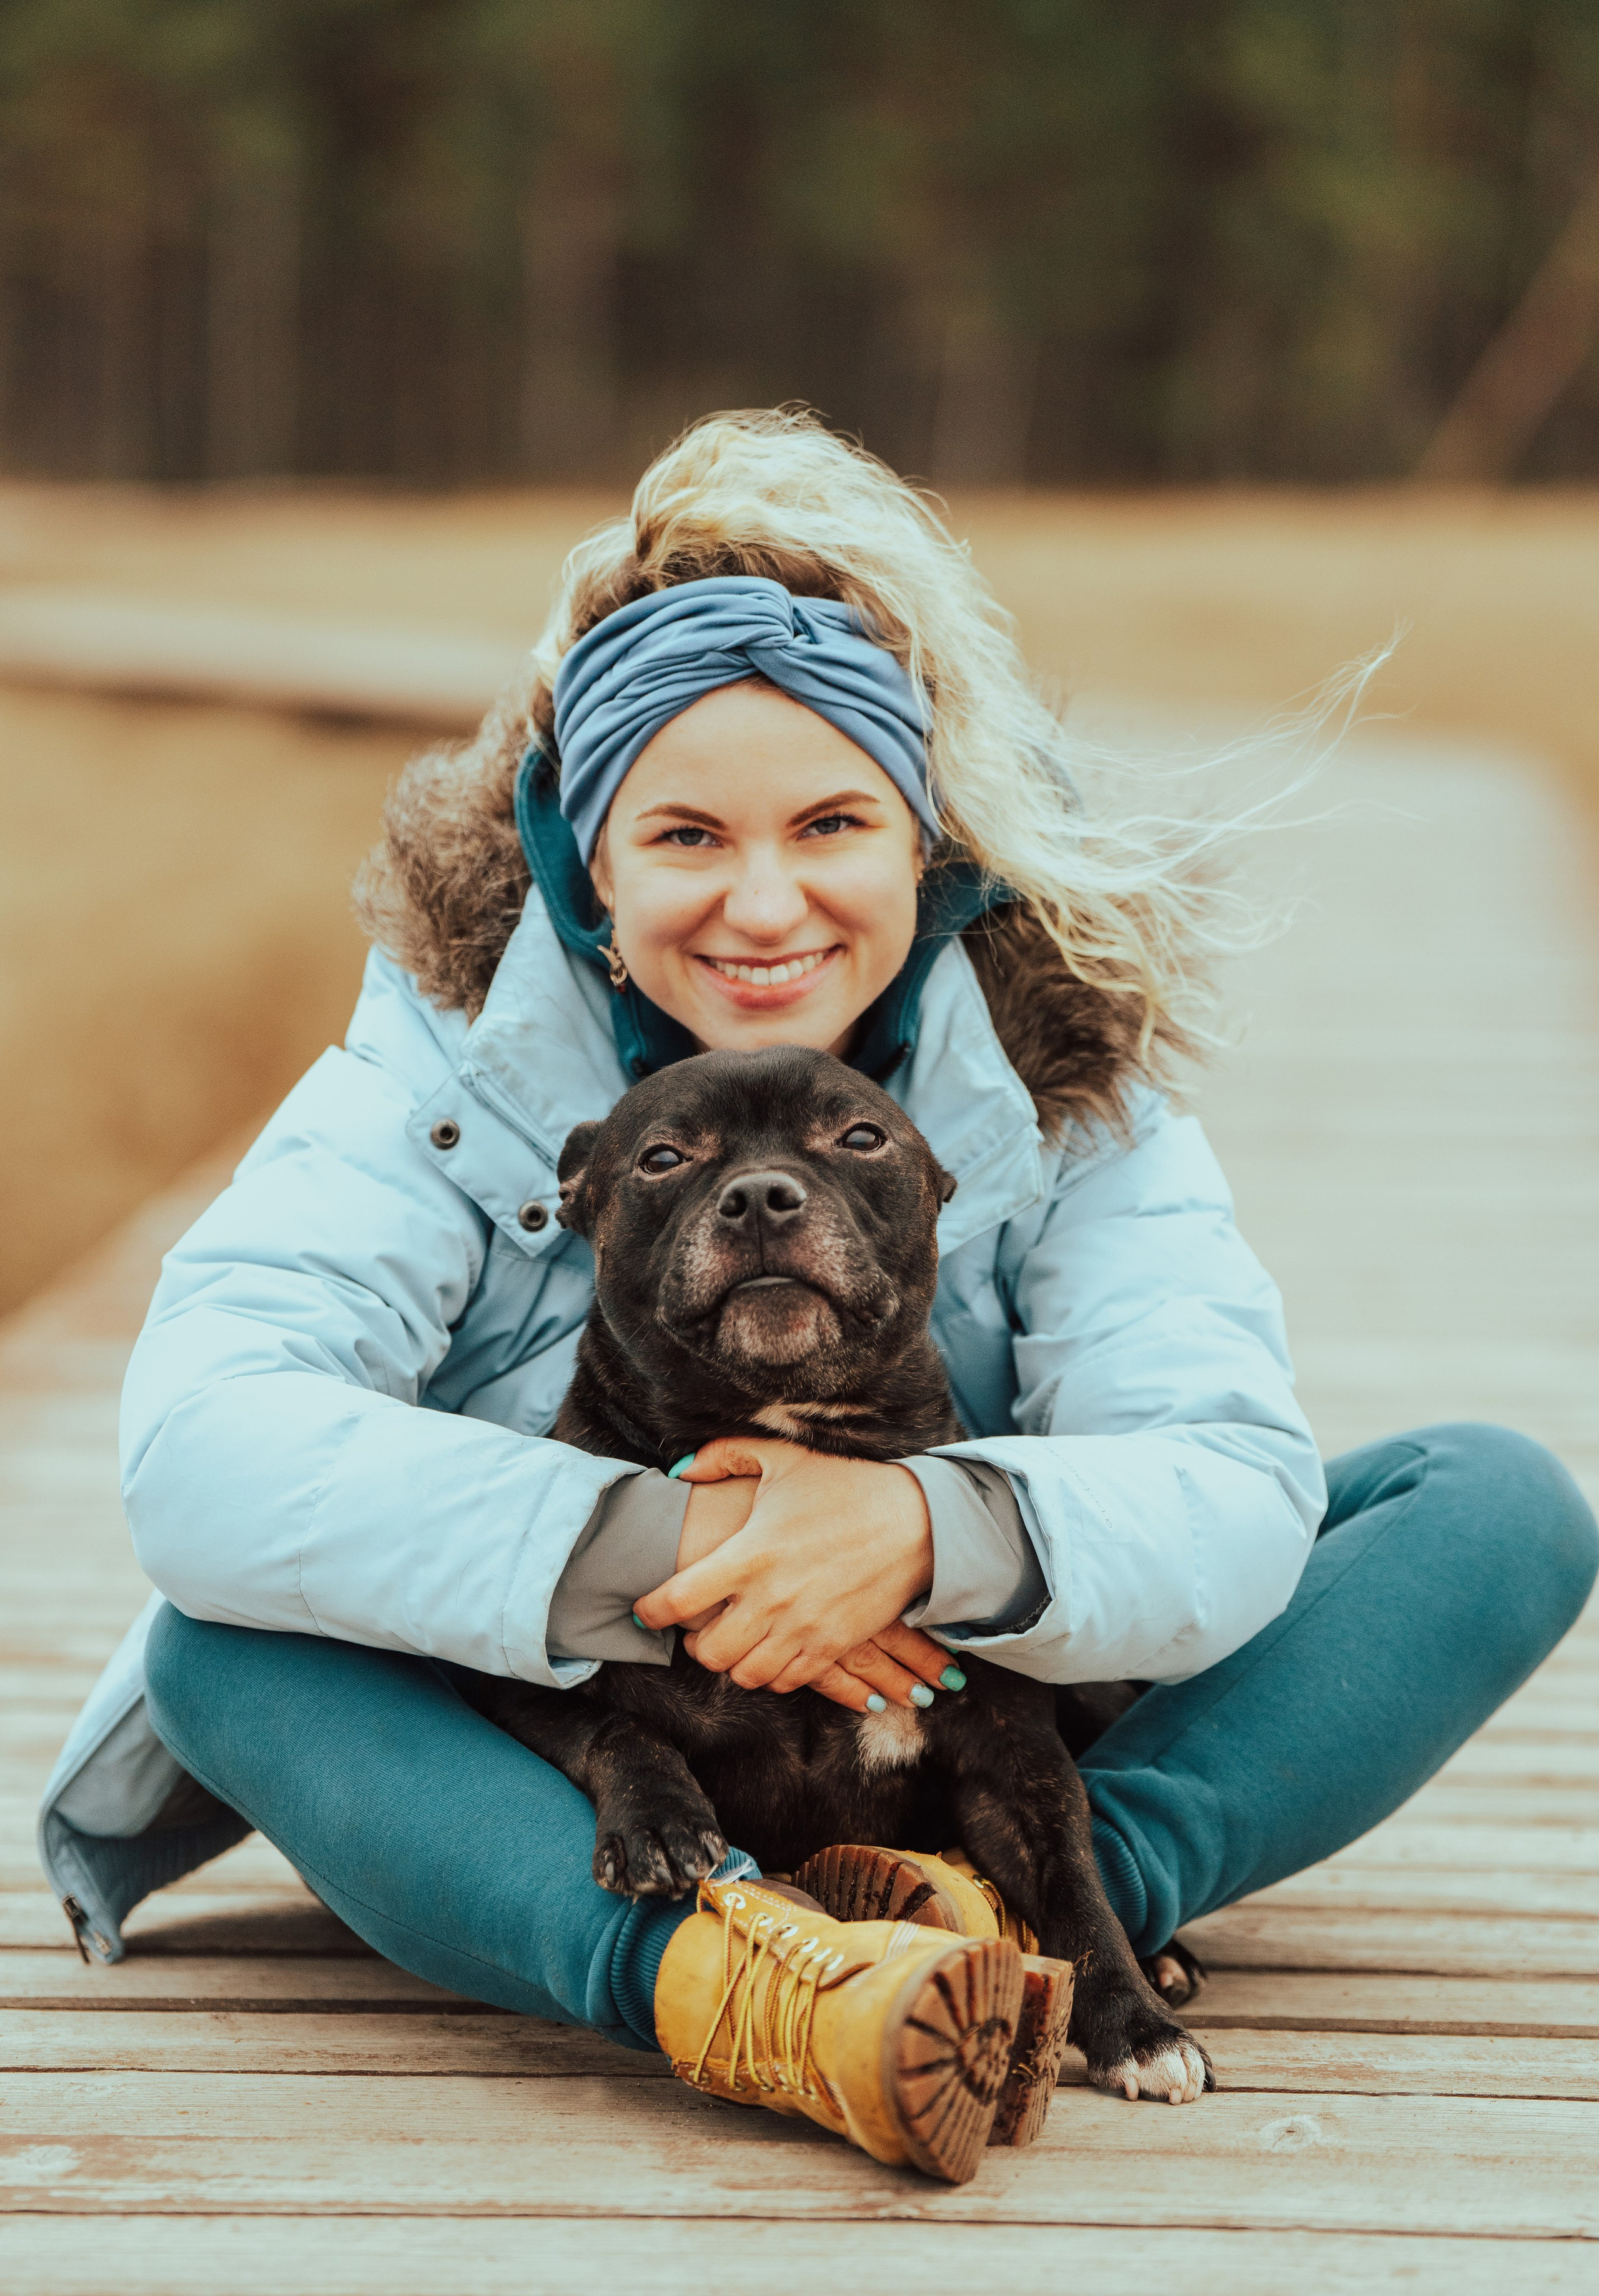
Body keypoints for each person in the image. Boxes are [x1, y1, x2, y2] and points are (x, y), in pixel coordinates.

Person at [39, 410, 1597, 2173]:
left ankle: (1024, 1908)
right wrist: (678, 1548)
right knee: (213, 1655)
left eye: (834, 820)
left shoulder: (1062, 1061)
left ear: (926, 842)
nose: (764, 901)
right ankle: (724, 1978)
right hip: (593, 1747)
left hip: (970, 1714)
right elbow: (197, 1443)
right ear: (589, 872)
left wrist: (927, 1533)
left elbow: (1231, 1478)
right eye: (688, 833)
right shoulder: (440, 1062)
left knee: (1495, 1503)